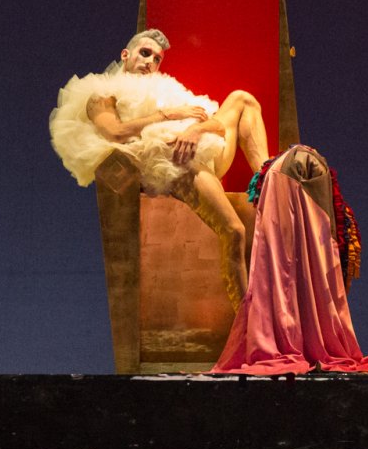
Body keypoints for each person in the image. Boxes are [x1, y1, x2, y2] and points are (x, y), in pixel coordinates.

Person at [49, 28, 270, 305]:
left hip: (204, 146)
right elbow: (115, 132)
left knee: (242, 98)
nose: (150, 62)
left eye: (156, 58)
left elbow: (215, 124)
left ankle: (267, 181)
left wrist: (196, 130)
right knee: (235, 231)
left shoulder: (167, 89)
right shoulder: (100, 93)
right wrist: (167, 115)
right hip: (172, 163)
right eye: (145, 53)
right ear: (126, 55)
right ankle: (248, 326)